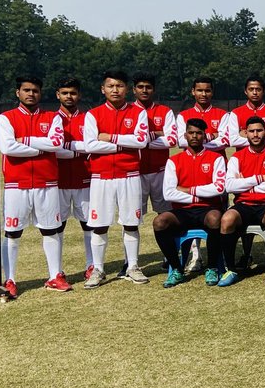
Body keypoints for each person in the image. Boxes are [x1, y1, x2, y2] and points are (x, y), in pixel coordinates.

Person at [0, 75, 67, 298]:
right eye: (26, 90)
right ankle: (10, 279)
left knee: (50, 230)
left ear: (40, 93)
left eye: (35, 90)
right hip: (17, 184)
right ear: (18, 93)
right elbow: (8, 147)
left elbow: (56, 143)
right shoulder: (6, 118)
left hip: (47, 183)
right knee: (13, 233)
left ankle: (55, 276)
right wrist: (40, 147)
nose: (31, 94)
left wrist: (23, 141)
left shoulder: (53, 117)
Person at [83, 70, 150, 288]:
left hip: (129, 175)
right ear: (103, 89)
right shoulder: (93, 114)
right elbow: (90, 145)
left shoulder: (138, 113)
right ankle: (99, 269)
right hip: (101, 177)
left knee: (131, 223)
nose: (115, 90)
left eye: (119, 86)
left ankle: (132, 266)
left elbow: (141, 141)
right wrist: (124, 145)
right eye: (110, 86)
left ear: (127, 89)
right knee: (99, 224)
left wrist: (110, 139)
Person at [153, 118, 227, 288]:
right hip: (183, 211)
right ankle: (177, 268)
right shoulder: (174, 160)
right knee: (159, 222)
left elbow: (219, 189)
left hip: (208, 209)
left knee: (215, 218)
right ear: (185, 135)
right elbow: (169, 193)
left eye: (199, 133)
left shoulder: (216, 158)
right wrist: (201, 194)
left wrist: (187, 190)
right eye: (191, 133)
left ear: (205, 136)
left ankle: (212, 267)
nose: (195, 136)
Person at [219, 115, 265, 286]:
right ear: (245, 133)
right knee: (227, 220)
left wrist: (245, 182)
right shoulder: (237, 157)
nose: (255, 134)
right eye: (251, 131)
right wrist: (260, 178)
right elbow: (229, 186)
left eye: (259, 130)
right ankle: (231, 269)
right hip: (244, 204)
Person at [54, 77, 95, 279]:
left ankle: (91, 265)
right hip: (58, 180)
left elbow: (91, 145)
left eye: (73, 93)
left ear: (79, 95)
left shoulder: (88, 118)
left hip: (85, 178)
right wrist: (77, 148)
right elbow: (53, 149)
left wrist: (66, 148)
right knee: (57, 226)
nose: (69, 96)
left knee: (88, 224)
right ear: (58, 95)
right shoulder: (51, 119)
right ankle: (57, 271)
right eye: (65, 93)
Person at [133, 73, 176, 220]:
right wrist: (158, 133)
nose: (144, 90)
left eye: (148, 87)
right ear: (134, 90)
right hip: (135, 171)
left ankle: (169, 243)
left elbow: (171, 140)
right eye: (140, 87)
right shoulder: (127, 111)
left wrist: (141, 140)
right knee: (133, 216)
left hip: (161, 171)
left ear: (154, 90)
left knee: (166, 214)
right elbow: (126, 141)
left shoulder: (165, 111)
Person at [222, 74, 265, 148]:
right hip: (244, 158)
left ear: (263, 91)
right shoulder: (235, 113)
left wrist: (245, 135)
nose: (254, 92)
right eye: (251, 89)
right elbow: (233, 141)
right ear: (245, 91)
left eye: (258, 89)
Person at [176, 76, 228, 152]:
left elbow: (224, 142)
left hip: (217, 161)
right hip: (191, 162)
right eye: (199, 90)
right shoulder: (182, 116)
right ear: (193, 91)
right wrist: (210, 136)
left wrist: (194, 141)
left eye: (207, 91)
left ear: (212, 92)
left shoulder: (223, 115)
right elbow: (181, 142)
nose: (203, 94)